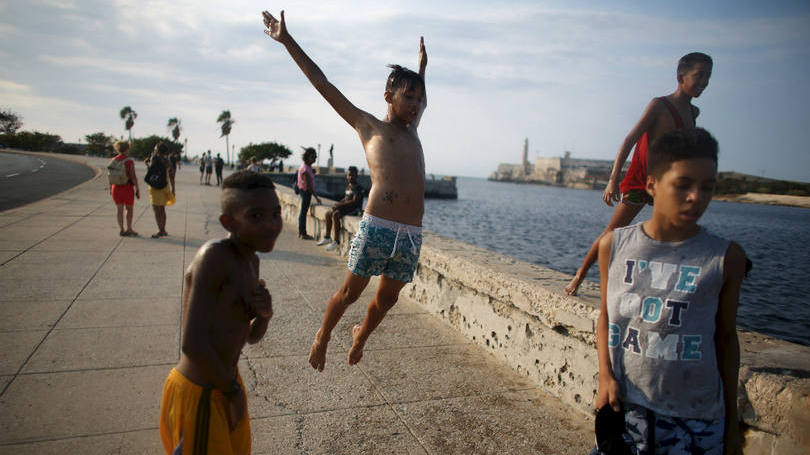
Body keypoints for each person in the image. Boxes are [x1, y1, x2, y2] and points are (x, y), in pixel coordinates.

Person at [263, 10, 427, 370]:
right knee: (351, 293)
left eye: (420, 99)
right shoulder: (367, 125)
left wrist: (420, 68)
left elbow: (419, 94)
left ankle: (360, 336)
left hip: (411, 234)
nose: (416, 105)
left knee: (387, 301)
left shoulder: (413, 131)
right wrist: (287, 40)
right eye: (409, 97)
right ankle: (322, 335)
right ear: (388, 96)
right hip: (379, 227)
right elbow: (323, 85)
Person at [593, 128, 745, 454]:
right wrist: (605, 377)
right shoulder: (614, 246)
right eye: (683, 185)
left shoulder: (725, 258)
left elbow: (726, 339)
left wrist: (731, 427)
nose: (696, 197)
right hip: (627, 414)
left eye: (707, 187)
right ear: (651, 185)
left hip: (697, 420)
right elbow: (606, 318)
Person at [565, 53, 713, 296]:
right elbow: (629, 140)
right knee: (612, 232)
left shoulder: (693, 112)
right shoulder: (660, 105)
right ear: (680, 77)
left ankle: (654, 287)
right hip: (639, 179)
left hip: (666, 183)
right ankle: (580, 275)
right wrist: (613, 181)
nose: (704, 82)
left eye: (708, 77)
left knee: (672, 236)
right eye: (699, 76)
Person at [159, 171, 279, 455]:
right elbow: (193, 344)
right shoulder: (214, 258)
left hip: (225, 382)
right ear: (228, 222)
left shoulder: (252, 262)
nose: (271, 225)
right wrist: (232, 393)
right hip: (202, 390)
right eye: (256, 216)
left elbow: (249, 337)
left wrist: (264, 315)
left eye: (276, 214)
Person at [317, 166, 364, 251]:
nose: (351, 177)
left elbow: (355, 201)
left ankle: (336, 241)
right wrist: (338, 203)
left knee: (336, 214)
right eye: (349, 175)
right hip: (346, 208)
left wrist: (340, 205)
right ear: (346, 176)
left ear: (357, 176)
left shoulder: (358, 188)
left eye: (353, 175)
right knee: (328, 213)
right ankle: (327, 237)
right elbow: (345, 198)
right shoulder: (349, 187)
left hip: (354, 210)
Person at [109, 140, 140, 236]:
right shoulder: (129, 161)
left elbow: (110, 175)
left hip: (115, 187)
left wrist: (110, 188)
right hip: (127, 187)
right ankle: (129, 228)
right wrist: (137, 189)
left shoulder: (113, 160)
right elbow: (133, 176)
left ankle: (122, 229)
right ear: (127, 149)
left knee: (119, 209)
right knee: (129, 209)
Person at [147, 142, 176, 238]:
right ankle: (163, 229)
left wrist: (147, 163)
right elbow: (172, 175)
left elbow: (151, 170)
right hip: (165, 186)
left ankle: (160, 230)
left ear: (158, 150)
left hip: (155, 186)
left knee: (156, 209)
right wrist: (173, 189)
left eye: (155, 148)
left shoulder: (155, 158)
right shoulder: (167, 161)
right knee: (162, 209)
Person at [295, 147, 322, 239]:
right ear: (307, 157)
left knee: (303, 211)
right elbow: (309, 186)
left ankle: (301, 232)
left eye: (315, 157)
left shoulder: (306, 167)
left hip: (304, 191)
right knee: (303, 212)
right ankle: (303, 233)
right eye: (313, 157)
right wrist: (316, 197)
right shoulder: (306, 169)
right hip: (306, 192)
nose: (314, 159)